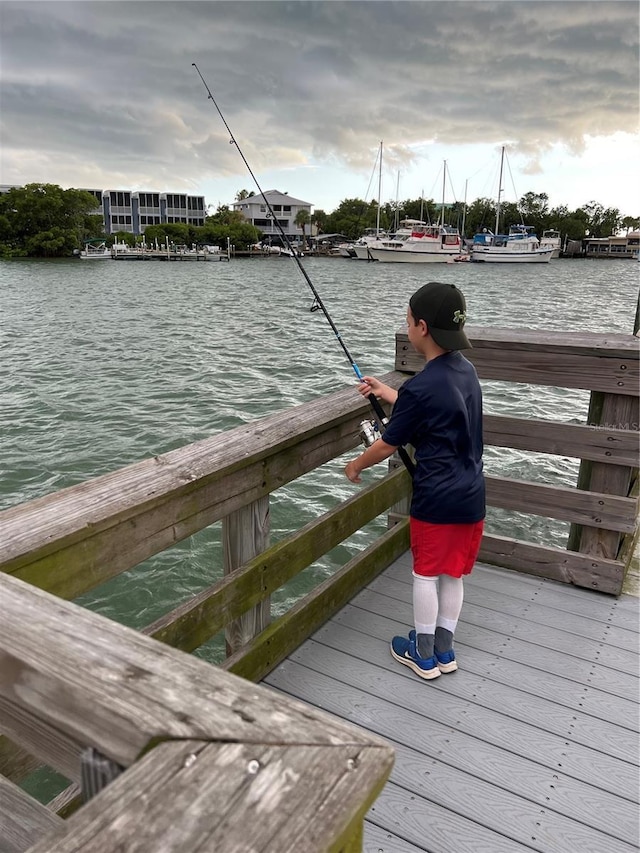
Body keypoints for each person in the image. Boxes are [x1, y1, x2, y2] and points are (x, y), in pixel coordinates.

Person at [344, 281, 485, 681]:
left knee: (425, 573)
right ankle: (444, 648)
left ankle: (422, 656)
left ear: (421, 327)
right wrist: (385, 390)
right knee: (452, 574)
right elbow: (424, 403)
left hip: (436, 498)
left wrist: (355, 465)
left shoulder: (422, 388)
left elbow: (388, 444)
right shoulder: (464, 371)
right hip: (472, 496)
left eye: (407, 320)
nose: (406, 326)